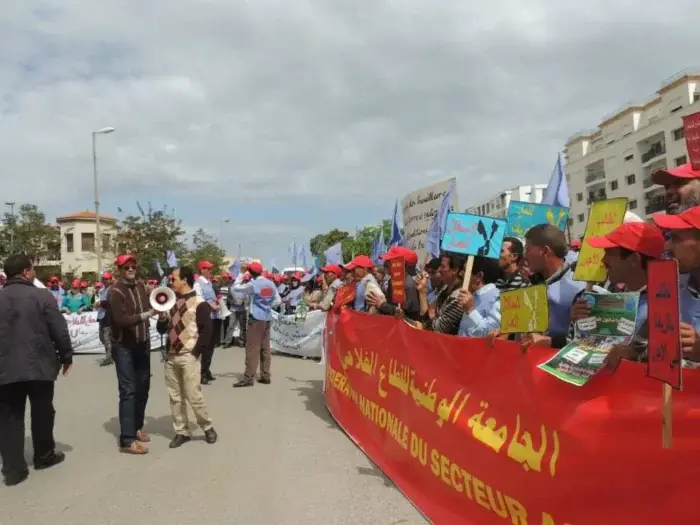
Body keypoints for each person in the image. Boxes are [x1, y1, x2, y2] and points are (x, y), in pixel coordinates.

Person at [0, 254, 73, 486]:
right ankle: (44, 455)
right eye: (32, 270)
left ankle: (13, 469)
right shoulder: (42, 296)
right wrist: (66, 355)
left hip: (6, 368)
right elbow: (58, 328)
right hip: (39, 364)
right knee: (42, 411)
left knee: (10, 417)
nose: (34, 274)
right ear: (25, 272)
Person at [156, 267, 217, 448]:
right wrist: (161, 319)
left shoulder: (200, 303)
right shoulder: (170, 302)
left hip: (188, 355)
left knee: (193, 395)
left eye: (173, 279)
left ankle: (207, 426)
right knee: (175, 397)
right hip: (171, 356)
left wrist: (195, 352)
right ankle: (182, 431)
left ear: (184, 280)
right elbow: (162, 329)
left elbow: (207, 332)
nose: (170, 282)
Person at [108, 254, 155, 455]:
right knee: (128, 391)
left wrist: (160, 312)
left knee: (143, 387)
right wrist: (146, 315)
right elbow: (120, 320)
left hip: (142, 343)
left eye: (133, 265)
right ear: (119, 269)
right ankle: (126, 440)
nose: (130, 268)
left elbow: (152, 309)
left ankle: (136, 428)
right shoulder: (115, 291)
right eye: (126, 266)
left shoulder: (143, 287)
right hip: (124, 346)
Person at [231, 262, 281, 387]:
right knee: (265, 349)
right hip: (266, 318)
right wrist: (267, 306)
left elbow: (235, 288)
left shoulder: (253, 284)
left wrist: (241, 275)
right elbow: (278, 300)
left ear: (251, 272)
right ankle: (265, 375)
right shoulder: (270, 283)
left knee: (252, 349)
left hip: (256, 319)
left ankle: (248, 378)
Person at [369, 247, 421, 321]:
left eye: (390, 261)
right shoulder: (391, 281)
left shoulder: (408, 285)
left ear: (402, 264)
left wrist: (383, 306)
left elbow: (405, 315)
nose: (385, 263)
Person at [457, 256, 503, 337]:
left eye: (465, 270)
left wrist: (470, 310)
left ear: (479, 276)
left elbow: (491, 333)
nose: (460, 274)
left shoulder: (498, 298)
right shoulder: (472, 296)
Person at [194, 261, 219, 385]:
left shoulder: (209, 283)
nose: (210, 271)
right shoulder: (198, 284)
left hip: (214, 316)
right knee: (205, 345)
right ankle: (201, 373)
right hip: (205, 317)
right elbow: (199, 299)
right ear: (202, 269)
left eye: (210, 269)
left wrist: (217, 303)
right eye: (208, 269)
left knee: (211, 345)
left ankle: (206, 369)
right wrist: (211, 305)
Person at [96, 271, 115, 367]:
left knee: (107, 338)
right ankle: (111, 354)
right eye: (103, 279)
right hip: (101, 316)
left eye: (107, 279)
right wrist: (98, 304)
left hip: (108, 316)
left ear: (111, 279)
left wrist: (101, 303)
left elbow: (111, 303)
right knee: (102, 337)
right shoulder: (102, 290)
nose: (105, 280)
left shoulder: (112, 289)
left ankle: (109, 357)